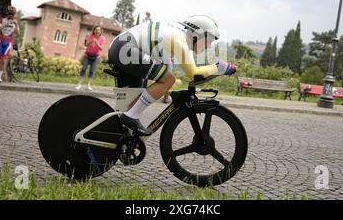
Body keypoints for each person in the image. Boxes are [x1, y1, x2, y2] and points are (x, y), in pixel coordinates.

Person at [108, 15, 236, 136]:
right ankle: (131, 116)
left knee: (127, 106)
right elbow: (194, 74)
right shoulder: (180, 40)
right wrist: (220, 67)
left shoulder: (183, 40)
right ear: (197, 35)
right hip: (125, 47)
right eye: (208, 41)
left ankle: (117, 132)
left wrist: (218, 68)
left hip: (123, 46)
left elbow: (193, 71)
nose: (209, 46)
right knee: (168, 80)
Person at [76, 25, 106, 91]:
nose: (97, 31)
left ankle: (88, 85)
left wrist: (97, 43)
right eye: (96, 30)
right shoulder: (90, 36)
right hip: (87, 55)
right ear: (94, 30)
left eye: (99, 30)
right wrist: (91, 41)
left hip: (96, 57)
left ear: (101, 31)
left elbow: (101, 48)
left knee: (92, 71)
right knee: (83, 69)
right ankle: (79, 84)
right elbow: (86, 44)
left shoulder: (102, 38)